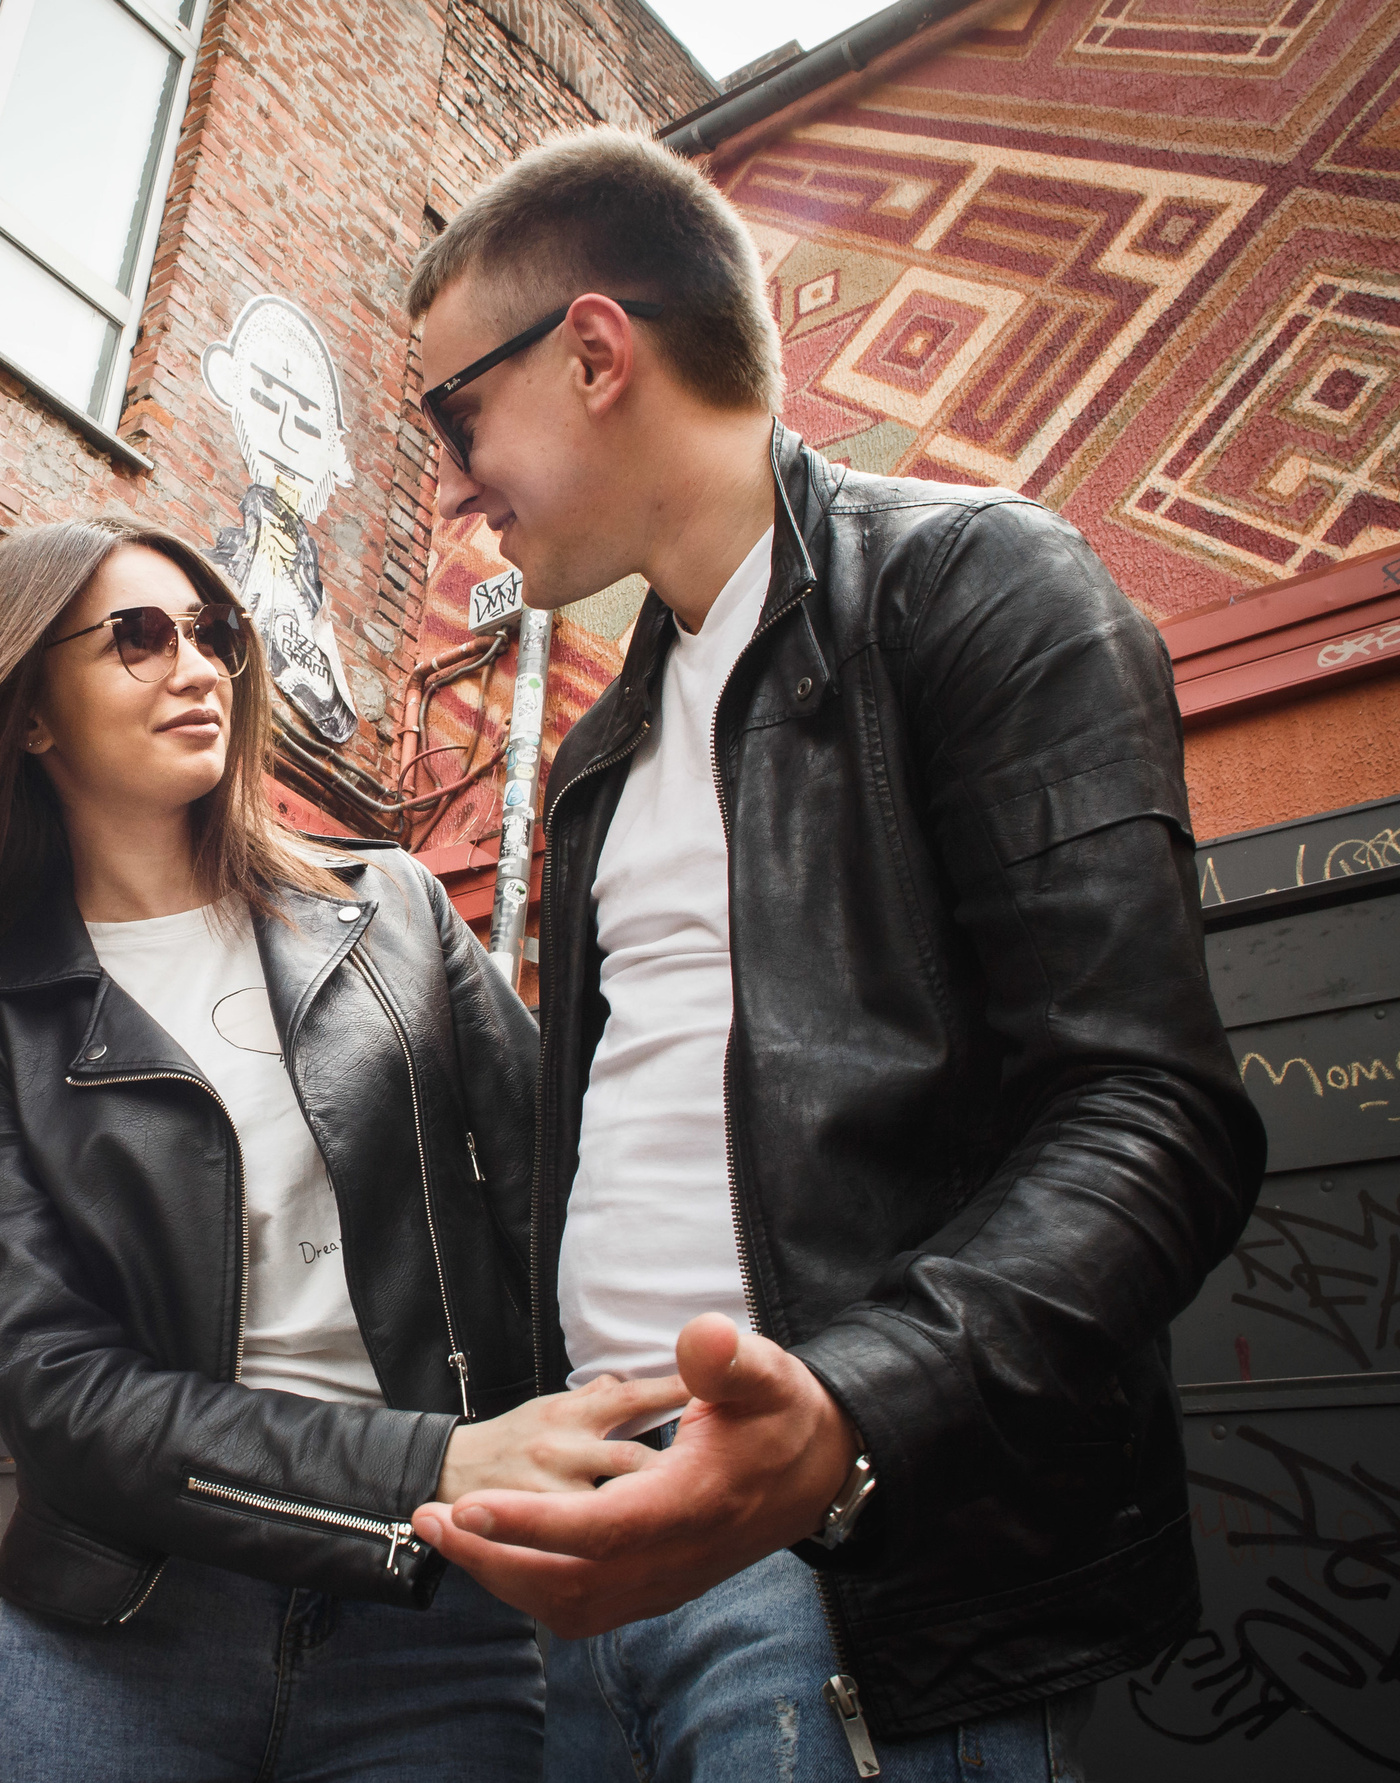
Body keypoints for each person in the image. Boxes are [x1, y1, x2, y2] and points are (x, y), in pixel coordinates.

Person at [398, 129, 1266, 1781]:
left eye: (456, 416)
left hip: (855, 1576)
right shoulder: (597, 760)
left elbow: (1155, 1121)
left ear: (594, 351)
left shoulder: (986, 593)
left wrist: (845, 1418)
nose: (452, 483)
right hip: (590, 1561)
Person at [0, 517, 683, 1781]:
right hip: (129, 1627)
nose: (197, 666)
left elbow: (562, 1207)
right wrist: (428, 1458)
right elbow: (57, 1390)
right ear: (31, 712)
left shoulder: (391, 915)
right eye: (137, 638)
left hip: (438, 1623)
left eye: (214, 634)